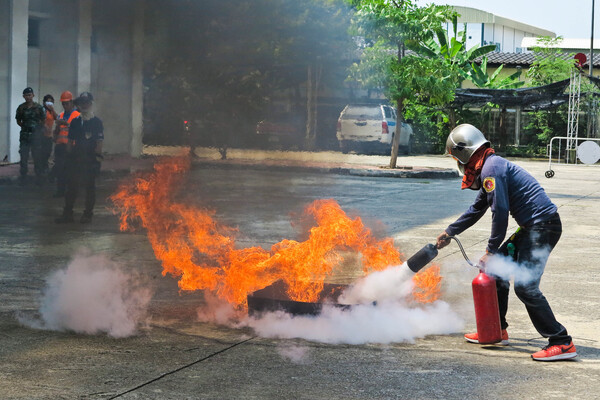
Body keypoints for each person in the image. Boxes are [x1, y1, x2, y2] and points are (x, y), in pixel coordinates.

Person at [436, 124, 576, 362]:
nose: (458, 164)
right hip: (533, 227)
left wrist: (490, 249)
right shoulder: (490, 166)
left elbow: (499, 211)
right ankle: (496, 330)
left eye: (456, 158)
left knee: (525, 287)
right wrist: (449, 231)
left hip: (543, 227)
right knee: (496, 270)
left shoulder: (491, 169)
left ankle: (561, 341)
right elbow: (477, 208)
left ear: (463, 153)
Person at [55, 92, 103, 224]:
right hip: (76, 159)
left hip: (90, 159)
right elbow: (70, 141)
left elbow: (99, 143)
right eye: (82, 103)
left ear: (91, 104)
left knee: (89, 188)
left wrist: (96, 160)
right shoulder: (76, 122)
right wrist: (69, 157)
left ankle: (88, 215)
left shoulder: (96, 122)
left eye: (87, 102)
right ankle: (68, 214)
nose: (84, 105)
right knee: (71, 187)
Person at [51, 91, 80, 197]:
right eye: (63, 104)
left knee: (70, 171)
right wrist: (58, 127)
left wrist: (66, 124)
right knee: (59, 170)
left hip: (71, 147)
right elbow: (55, 133)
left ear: (71, 103)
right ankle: (60, 191)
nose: (65, 106)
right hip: (60, 147)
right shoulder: (60, 115)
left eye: (67, 103)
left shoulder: (77, 115)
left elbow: (78, 130)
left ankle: (71, 192)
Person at [15, 87, 45, 185]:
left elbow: (43, 119)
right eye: (26, 95)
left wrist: (36, 128)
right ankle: (23, 178)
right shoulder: (21, 108)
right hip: (24, 136)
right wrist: (25, 127)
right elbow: (18, 120)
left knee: (37, 157)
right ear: (24, 96)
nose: (28, 97)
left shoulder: (39, 107)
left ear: (33, 95)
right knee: (24, 157)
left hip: (36, 136)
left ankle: (39, 178)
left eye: (30, 95)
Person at [41, 94, 58, 182]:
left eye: (51, 101)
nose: (49, 103)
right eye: (48, 101)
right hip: (42, 135)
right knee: (43, 152)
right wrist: (44, 126)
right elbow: (39, 120)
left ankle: (45, 167)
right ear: (44, 102)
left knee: (48, 152)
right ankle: (43, 169)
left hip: (49, 135)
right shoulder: (42, 110)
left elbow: (57, 118)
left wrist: (53, 109)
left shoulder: (51, 111)